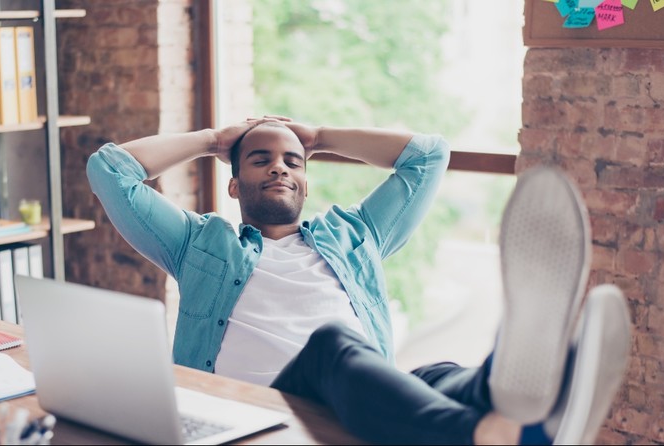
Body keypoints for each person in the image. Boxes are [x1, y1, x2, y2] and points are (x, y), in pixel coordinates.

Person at [87, 118, 630, 444]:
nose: (280, 168)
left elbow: (428, 156)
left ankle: (528, 401)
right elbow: (110, 170)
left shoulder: (354, 235)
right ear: (233, 186)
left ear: (307, 179)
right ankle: (483, 435)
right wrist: (214, 139)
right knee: (332, 347)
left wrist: (320, 135)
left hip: (352, 394)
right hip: (267, 405)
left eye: (294, 161)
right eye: (259, 161)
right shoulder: (199, 243)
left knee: (439, 371)